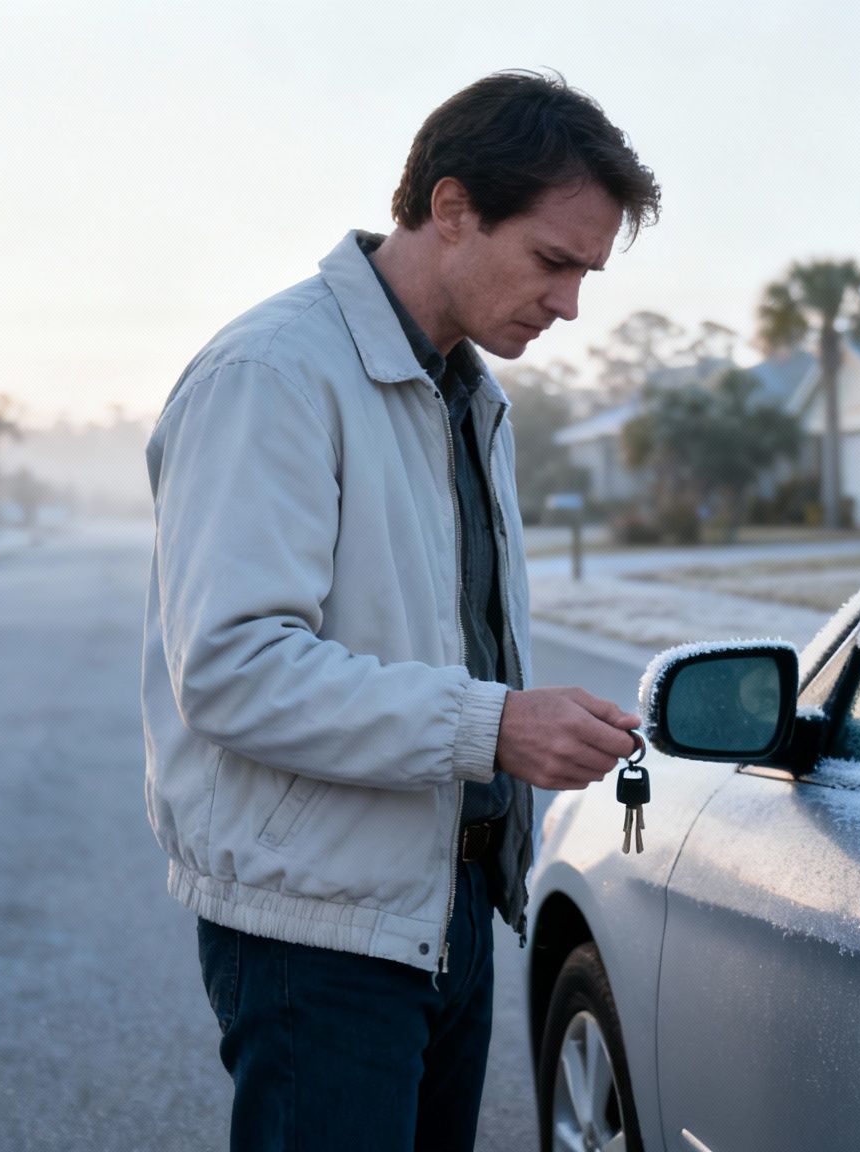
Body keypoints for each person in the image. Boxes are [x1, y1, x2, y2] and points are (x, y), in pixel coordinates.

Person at [140, 70, 660, 1150]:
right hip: (316, 930)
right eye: (553, 262)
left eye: (586, 273)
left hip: (444, 907)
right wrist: (497, 725)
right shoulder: (271, 374)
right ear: (452, 208)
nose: (568, 304)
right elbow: (233, 668)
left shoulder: (468, 392)